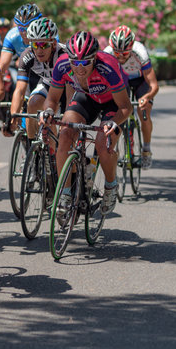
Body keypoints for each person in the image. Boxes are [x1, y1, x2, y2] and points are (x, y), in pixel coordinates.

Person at [40, 31, 132, 216]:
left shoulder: (108, 66)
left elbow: (126, 107)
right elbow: (52, 98)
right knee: (65, 134)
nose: (79, 68)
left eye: (85, 63)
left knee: (102, 142)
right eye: (75, 62)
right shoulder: (63, 65)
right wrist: (48, 112)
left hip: (113, 102)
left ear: (94, 59)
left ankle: (111, 186)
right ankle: (65, 193)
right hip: (87, 98)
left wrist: (112, 123)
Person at [104, 25, 159, 169]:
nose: (120, 56)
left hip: (141, 81)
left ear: (131, 47)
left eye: (125, 52)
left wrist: (147, 97)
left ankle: (146, 150)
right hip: (123, 81)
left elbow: (154, 85)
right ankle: (126, 150)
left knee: (144, 112)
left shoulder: (140, 51)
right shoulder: (107, 53)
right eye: (117, 53)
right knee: (121, 113)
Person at [5, 17, 67, 143]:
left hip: (68, 89)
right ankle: (32, 148)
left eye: (43, 44)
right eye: (35, 44)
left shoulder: (64, 56)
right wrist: (13, 117)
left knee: (65, 133)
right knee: (32, 104)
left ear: (54, 43)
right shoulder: (27, 56)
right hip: (48, 85)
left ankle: (58, 149)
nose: (39, 50)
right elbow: (20, 90)